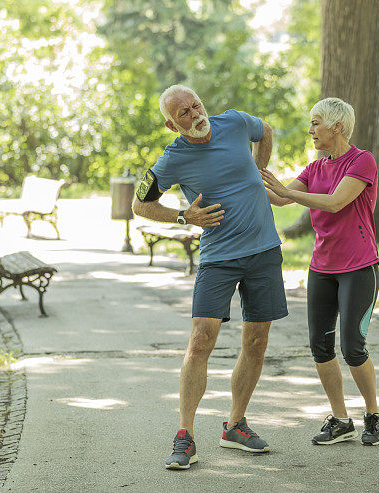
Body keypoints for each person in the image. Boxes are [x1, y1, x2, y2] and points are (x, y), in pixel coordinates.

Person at [132, 85, 288, 470]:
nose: (194, 114)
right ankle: (184, 436)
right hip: (219, 258)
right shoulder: (172, 158)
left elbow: (265, 130)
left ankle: (235, 425)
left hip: (264, 250)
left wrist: (258, 168)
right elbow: (140, 204)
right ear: (172, 124)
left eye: (196, 105)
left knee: (257, 340)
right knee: (201, 340)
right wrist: (184, 216)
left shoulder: (235, 122)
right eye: (183, 113)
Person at [260, 97, 379, 446]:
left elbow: (335, 202)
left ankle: (372, 413)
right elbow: (282, 199)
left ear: (337, 127)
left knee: (353, 346)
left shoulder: (362, 161)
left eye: (316, 123)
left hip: (359, 268)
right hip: (322, 268)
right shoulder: (315, 167)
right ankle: (341, 420)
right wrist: (248, 176)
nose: (310, 129)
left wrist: (287, 192)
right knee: (320, 346)